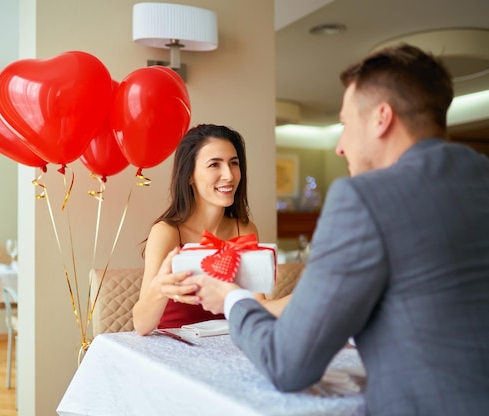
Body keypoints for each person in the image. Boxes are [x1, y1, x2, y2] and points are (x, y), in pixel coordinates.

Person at [183, 44, 489, 415]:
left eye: (345, 124)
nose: (340, 147)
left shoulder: (364, 198)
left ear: (381, 118)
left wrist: (231, 299)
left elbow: (287, 363)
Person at [132, 124, 259, 336]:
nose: (229, 175)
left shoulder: (244, 229)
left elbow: (257, 305)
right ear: (189, 175)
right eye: (214, 165)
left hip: (231, 347)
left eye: (233, 163)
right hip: (177, 351)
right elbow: (142, 325)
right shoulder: (168, 232)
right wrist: (160, 289)